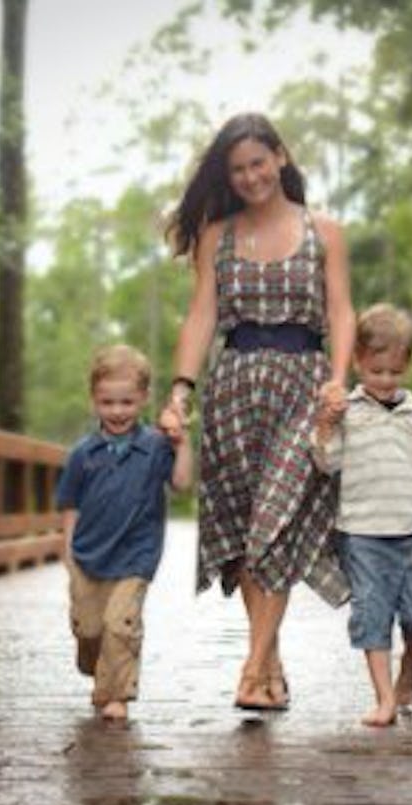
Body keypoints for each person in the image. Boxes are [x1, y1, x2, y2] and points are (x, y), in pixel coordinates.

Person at [160, 112, 355, 712]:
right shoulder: (217, 236)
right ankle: (267, 664)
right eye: (238, 168)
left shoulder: (325, 231)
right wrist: (180, 393)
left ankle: (250, 668)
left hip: (305, 388)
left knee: (277, 518)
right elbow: (201, 316)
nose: (250, 177)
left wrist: (340, 380)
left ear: (280, 157)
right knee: (248, 535)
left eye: (258, 163)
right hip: (235, 390)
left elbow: (342, 311)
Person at [312, 303, 412, 727]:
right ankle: (385, 698)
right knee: (372, 612)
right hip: (363, 534)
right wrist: (324, 426)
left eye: (395, 372)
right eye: (376, 372)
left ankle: (408, 667)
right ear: (358, 363)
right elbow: (327, 463)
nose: (385, 381)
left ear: (408, 366)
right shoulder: (348, 413)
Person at [57, 344, 194, 721]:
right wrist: (67, 554)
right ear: (94, 401)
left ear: (144, 399)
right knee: (89, 629)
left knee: (120, 625)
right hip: (88, 556)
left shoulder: (154, 446)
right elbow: (70, 505)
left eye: (127, 403)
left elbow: (182, 483)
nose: (117, 411)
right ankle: (97, 667)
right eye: (108, 403)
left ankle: (116, 694)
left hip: (136, 555)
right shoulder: (83, 454)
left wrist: (182, 444)